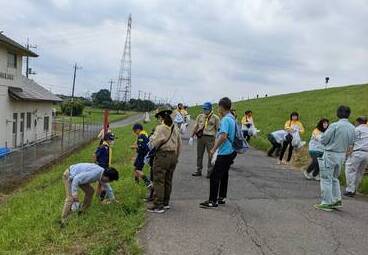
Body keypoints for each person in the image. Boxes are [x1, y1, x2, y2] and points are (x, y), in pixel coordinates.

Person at [314, 105, 354, 212]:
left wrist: (317, 137)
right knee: (335, 178)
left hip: (331, 153)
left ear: (338, 113)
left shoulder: (334, 125)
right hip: (342, 155)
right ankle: (337, 200)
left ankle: (327, 202)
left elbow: (324, 140)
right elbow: (351, 144)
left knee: (326, 179)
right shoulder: (352, 127)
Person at [200, 97, 237, 208]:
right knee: (224, 175)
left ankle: (212, 201)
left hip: (224, 152)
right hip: (231, 151)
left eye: (218, 107)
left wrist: (214, 148)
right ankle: (221, 197)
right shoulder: (232, 118)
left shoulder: (225, 119)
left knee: (214, 176)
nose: (217, 109)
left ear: (221, 107)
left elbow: (223, 136)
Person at [148, 107, 181, 213]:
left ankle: (158, 205)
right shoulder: (175, 127)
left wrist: (151, 138)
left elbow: (154, 143)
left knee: (159, 180)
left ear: (161, 117)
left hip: (163, 156)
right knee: (168, 179)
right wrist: (176, 156)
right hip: (173, 156)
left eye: (158, 117)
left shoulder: (160, 128)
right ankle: (166, 202)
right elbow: (179, 143)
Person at [191, 102, 220, 177]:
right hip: (200, 137)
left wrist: (218, 140)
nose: (204, 110)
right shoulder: (200, 116)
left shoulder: (215, 118)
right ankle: (198, 170)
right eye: (203, 108)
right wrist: (192, 136)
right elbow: (196, 126)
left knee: (210, 154)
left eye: (206, 109)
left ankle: (210, 172)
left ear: (210, 109)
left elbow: (218, 129)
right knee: (199, 154)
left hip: (210, 138)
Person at [344, 116, 368, 197]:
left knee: (350, 170)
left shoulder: (356, 129)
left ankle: (350, 190)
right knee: (359, 172)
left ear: (358, 122)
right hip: (366, 154)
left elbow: (351, 142)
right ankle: (355, 188)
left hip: (357, 152)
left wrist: (347, 153)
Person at [131, 123, 152, 187]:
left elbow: (142, 146)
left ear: (138, 129)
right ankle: (136, 183)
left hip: (142, 155)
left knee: (138, 170)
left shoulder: (141, 136)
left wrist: (134, 147)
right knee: (135, 168)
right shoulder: (144, 133)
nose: (135, 132)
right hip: (141, 154)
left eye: (135, 131)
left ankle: (148, 182)